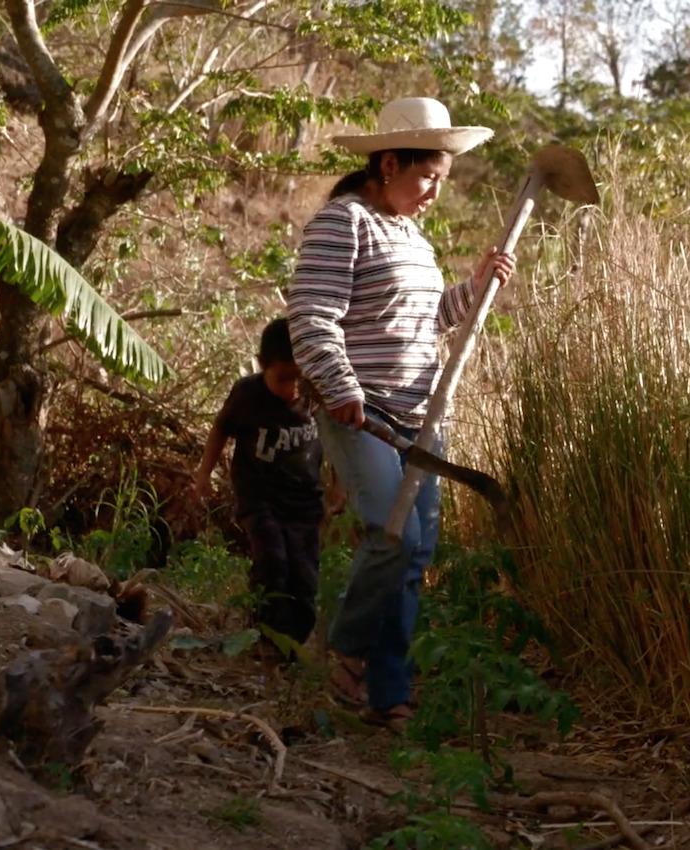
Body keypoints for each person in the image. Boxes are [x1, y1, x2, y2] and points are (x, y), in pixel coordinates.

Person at [287, 96, 515, 730]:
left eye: (441, 181)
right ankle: (346, 655)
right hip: (359, 409)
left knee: (417, 554)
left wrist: (475, 289)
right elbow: (311, 319)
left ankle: (388, 692)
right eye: (426, 178)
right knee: (393, 537)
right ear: (387, 163)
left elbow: (424, 323)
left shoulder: (412, 236)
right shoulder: (343, 223)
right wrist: (340, 388)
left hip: (419, 414)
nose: (434, 194)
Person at [193, 317, 324, 649]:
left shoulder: (316, 393)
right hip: (260, 497)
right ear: (263, 366)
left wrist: (340, 490)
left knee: (305, 577)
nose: (291, 389)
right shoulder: (247, 394)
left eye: (298, 379)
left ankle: (293, 646)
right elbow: (220, 430)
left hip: (305, 501)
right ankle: (266, 638)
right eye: (283, 379)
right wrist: (203, 475)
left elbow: (337, 441)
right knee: (273, 562)